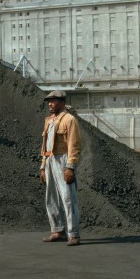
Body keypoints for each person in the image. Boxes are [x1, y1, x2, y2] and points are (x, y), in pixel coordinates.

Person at [39, 90, 82, 246]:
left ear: (62, 102)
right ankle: (58, 230)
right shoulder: (49, 120)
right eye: (49, 101)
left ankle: (73, 234)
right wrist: (43, 166)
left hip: (63, 160)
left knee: (68, 198)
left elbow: (74, 145)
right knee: (51, 198)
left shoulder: (69, 120)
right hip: (50, 160)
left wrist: (70, 167)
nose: (50, 103)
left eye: (54, 101)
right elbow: (45, 145)